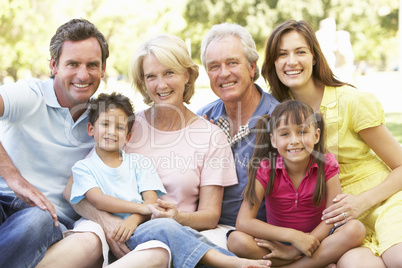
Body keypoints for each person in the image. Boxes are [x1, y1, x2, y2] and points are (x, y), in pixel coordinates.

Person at [65, 33, 271, 268]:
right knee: (86, 238)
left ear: (187, 75)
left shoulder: (211, 136)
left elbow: (210, 215)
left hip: (166, 233)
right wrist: (107, 223)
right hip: (111, 223)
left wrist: (178, 217)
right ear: (143, 82)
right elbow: (73, 188)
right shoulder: (125, 125)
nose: (160, 85)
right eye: (151, 76)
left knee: (157, 251)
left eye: (169, 73)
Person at [261, 19, 402, 268]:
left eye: (300, 52)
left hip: (383, 202)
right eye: (282, 54)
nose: (291, 61)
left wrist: (363, 202)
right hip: (338, 223)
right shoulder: (279, 113)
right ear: (273, 62)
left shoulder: (352, 102)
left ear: (315, 58)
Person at [0, 18, 109, 267]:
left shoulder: (102, 119)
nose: (83, 74)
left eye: (92, 65)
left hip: (45, 219)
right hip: (3, 199)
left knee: (39, 219)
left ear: (103, 69)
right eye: (72, 64)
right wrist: (13, 177)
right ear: (54, 65)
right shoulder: (30, 95)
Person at [227, 100, 366, 267]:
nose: (294, 141)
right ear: (273, 140)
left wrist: (296, 249)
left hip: (317, 242)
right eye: (285, 134)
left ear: (316, 135)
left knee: (355, 229)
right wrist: (294, 237)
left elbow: (333, 217)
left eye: (302, 132)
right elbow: (244, 222)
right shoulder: (266, 167)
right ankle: (311, 264)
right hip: (278, 244)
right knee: (236, 240)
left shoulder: (326, 165)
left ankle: (293, 264)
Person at [197, 22, 279, 250]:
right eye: (214, 66)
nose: (223, 73)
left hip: (259, 238)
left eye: (232, 62)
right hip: (210, 231)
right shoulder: (203, 118)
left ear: (252, 67)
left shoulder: (280, 119)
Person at [69, 92, 167, 264]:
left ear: (128, 137)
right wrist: (141, 208)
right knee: (85, 241)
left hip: (136, 225)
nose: (111, 132)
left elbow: (150, 202)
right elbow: (99, 200)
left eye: (120, 128)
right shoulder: (82, 168)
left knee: (165, 232)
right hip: (96, 226)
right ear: (91, 129)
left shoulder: (139, 162)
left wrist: (133, 219)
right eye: (105, 124)